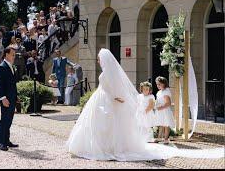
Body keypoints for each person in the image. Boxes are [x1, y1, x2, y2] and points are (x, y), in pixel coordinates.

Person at [66, 48, 224, 161]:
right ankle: (99, 146)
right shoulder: (108, 72)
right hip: (102, 99)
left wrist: (116, 97)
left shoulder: (108, 73)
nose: (98, 60)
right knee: (99, 124)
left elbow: (114, 88)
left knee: (107, 125)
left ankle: (106, 148)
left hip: (106, 100)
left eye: (99, 58)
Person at [0, 46, 20, 151]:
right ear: (6, 54)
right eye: (13, 54)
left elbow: (13, 85)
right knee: (4, 120)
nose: (14, 56)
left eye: (14, 55)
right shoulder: (1, 67)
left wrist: (16, 96)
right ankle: (0, 143)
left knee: (9, 120)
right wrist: (3, 98)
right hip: (6, 99)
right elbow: (0, 85)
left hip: (12, 98)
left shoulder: (11, 66)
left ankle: (6, 140)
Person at [154, 76, 175, 144]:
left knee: (166, 124)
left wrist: (161, 107)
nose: (158, 86)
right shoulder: (159, 92)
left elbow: (168, 103)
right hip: (160, 110)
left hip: (165, 110)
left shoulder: (166, 92)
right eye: (157, 84)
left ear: (164, 84)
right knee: (161, 124)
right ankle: (159, 137)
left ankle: (166, 138)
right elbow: (158, 100)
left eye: (159, 84)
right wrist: (156, 105)